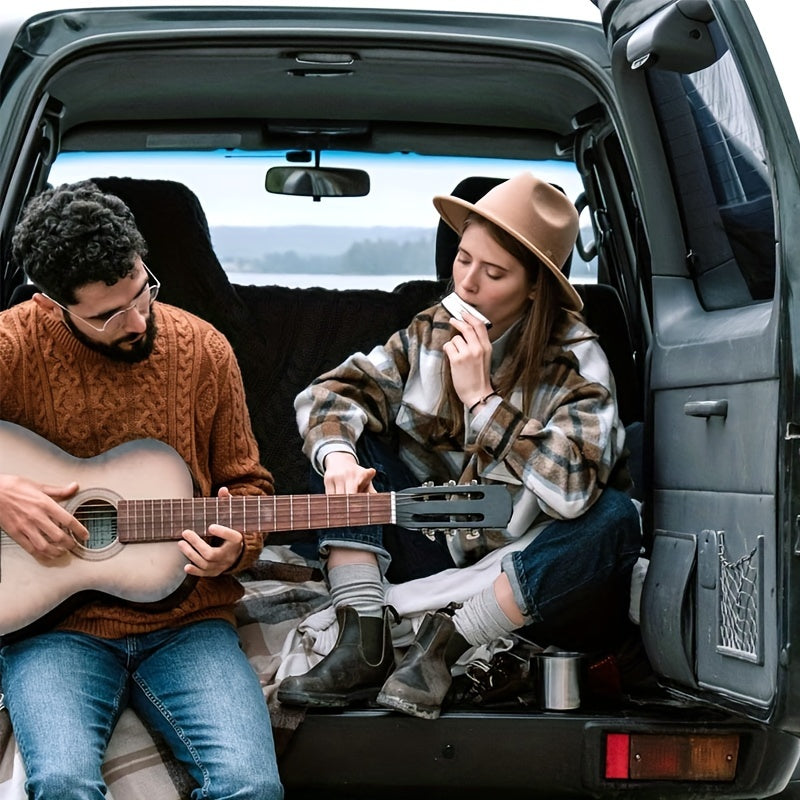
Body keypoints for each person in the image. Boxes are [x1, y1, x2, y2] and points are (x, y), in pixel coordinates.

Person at [278, 172, 642, 720]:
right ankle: (365, 634)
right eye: (464, 258)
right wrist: (340, 461)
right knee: (340, 445)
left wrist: (484, 404)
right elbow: (329, 395)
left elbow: (572, 495)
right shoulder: (431, 329)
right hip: (431, 541)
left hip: (523, 573)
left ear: (535, 285)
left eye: (493, 272)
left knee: (615, 520)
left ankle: (444, 645)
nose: (468, 283)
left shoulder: (577, 362)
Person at [0, 181, 283, 799]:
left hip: (189, 620)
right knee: (62, 783)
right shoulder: (10, 345)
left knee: (251, 786)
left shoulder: (204, 348)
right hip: (52, 629)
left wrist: (239, 545)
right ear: (54, 304)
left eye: (142, 291)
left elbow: (247, 481)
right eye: (107, 315)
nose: (137, 320)